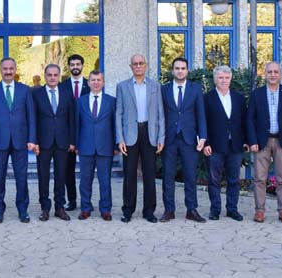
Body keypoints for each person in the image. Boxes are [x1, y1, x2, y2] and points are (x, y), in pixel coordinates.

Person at [247, 61, 282, 224]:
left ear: (280, 74)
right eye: (269, 72)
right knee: (259, 178)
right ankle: (260, 211)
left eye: (276, 72)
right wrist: (252, 140)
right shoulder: (257, 94)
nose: (273, 75)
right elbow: (250, 119)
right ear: (265, 74)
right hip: (262, 142)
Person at [0, 57, 36, 223]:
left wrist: (32, 139)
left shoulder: (25, 90)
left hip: (20, 140)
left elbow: (31, 116)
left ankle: (23, 210)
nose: (8, 72)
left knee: (22, 177)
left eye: (11, 68)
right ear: (0, 70)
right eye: (5, 69)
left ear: (15, 70)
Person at [115, 54, 164, 224]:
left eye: (141, 63)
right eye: (135, 64)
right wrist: (120, 139)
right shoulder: (122, 86)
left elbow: (160, 113)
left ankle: (149, 211)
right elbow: (119, 113)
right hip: (130, 135)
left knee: (149, 175)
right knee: (129, 175)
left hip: (149, 133)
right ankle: (128, 210)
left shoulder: (155, 86)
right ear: (131, 66)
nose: (138, 66)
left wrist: (161, 137)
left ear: (146, 65)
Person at [160, 57, 208, 223]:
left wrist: (203, 136)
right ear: (172, 70)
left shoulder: (195, 89)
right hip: (169, 139)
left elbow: (200, 114)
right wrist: (159, 137)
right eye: (177, 68)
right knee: (168, 176)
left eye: (183, 68)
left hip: (189, 139)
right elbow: (160, 115)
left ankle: (191, 209)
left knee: (190, 176)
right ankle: (169, 210)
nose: (180, 71)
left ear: (187, 70)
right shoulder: (164, 89)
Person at [203, 66, 247, 222]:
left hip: (235, 145)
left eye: (227, 78)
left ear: (230, 79)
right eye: (220, 77)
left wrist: (246, 140)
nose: (224, 80)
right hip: (214, 146)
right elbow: (203, 122)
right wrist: (205, 143)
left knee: (233, 180)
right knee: (214, 180)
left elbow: (244, 121)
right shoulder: (207, 98)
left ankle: (232, 209)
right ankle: (215, 210)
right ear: (215, 79)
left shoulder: (238, 98)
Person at [32, 64, 75, 221]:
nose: (52, 77)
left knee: (61, 175)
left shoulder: (67, 93)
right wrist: (34, 141)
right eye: (49, 75)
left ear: (59, 76)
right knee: (43, 176)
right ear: (45, 76)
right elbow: (33, 119)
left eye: (55, 75)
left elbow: (71, 118)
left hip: (63, 142)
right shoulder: (36, 94)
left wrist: (72, 141)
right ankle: (45, 208)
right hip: (43, 142)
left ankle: (60, 207)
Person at [76, 70, 116, 221]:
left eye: (99, 80)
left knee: (105, 181)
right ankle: (85, 208)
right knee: (85, 180)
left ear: (103, 82)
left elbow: (115, 124)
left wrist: (116, 145)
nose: (96, 82)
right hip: (85, 146)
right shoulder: (80, 101)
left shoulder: (111, 101)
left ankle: (105, 209)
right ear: (88, 82)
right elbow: (77, 124)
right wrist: (76, 144)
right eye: (93, 80)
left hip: (105, 147)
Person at [59, 54, 90, 211]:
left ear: (82, 65)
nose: (75, 67)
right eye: (72, 64)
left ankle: (87, 201)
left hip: (87, 134)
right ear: (69, 66)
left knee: (87, 171)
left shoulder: (90, 84)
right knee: (68, 170)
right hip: (68, 134)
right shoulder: (62, 86)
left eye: (78, 64)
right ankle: (71, 200)